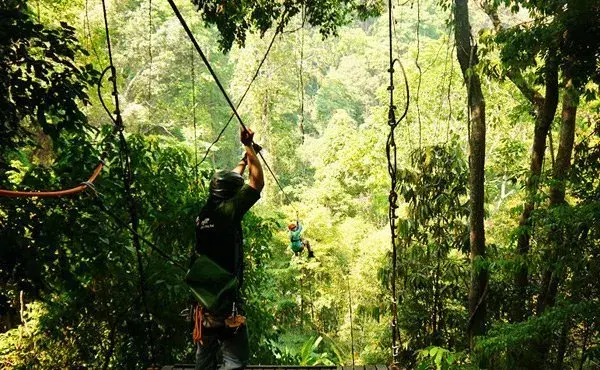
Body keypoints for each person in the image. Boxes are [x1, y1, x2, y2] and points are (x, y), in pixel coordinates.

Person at [193, 127, 264, 370]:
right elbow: (257, 182)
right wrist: (249, 146)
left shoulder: (208, 209)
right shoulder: (229, 212)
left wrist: (244, 162)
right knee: (235, 359)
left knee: (205, 354)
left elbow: (231, 179)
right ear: (232, 196)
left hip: (203, 299)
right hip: (225, 299)